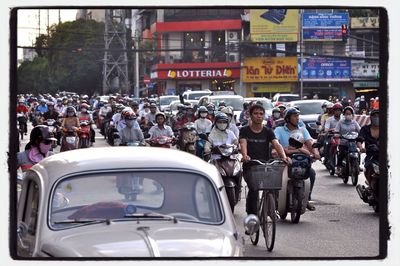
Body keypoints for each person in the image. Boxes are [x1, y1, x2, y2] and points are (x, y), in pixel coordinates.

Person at [240, 104, 290, 216]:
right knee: (254, 189)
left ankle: (272, 208)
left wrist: (283, 156)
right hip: (250, 167)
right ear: (250, 115)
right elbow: (243, 143)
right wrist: (245, 156)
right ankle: (252, 217)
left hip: (265, 166)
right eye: (256, 113)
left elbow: (276, 144)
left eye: (261, 114)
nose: (258, 116)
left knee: (273, 187)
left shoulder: (268, 131)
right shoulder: (244, 130)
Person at [274, 107, 320, 211]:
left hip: (300, 159)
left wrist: (316, 153)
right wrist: (276, 151)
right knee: (277, 176)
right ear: (288, 118)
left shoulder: (302, 129)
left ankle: (306, 198)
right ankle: (275, 199)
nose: (297, 118)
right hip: (285, 159)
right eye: (295, 116)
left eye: (298, 116)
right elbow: (275, 143)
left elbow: (310, 143)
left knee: (311, 173)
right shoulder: (279, 130)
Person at [335, 106, 361, 175]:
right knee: (341, 154)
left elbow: (359, 130)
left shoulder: (354, 123)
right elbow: (336, 131)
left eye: (349, 114)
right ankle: (338, 167)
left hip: (352, 142)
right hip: (343, 142)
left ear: (352, 114)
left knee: (357, 152)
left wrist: (361, 135)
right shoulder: (340, 122)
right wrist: (337, 134)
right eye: (347, 114)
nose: (348, 115)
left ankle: (357, 165)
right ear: (344, 114)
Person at [356, 109, 379, 187]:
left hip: (384, 156)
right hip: (371, 156)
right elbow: (359, 140)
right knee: (369, 166)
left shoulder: (387, 128)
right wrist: (361, 148)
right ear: (371, 118)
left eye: (379, 116)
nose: (377, 118)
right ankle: (370, 186)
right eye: (375, 116)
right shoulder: (365, 129)